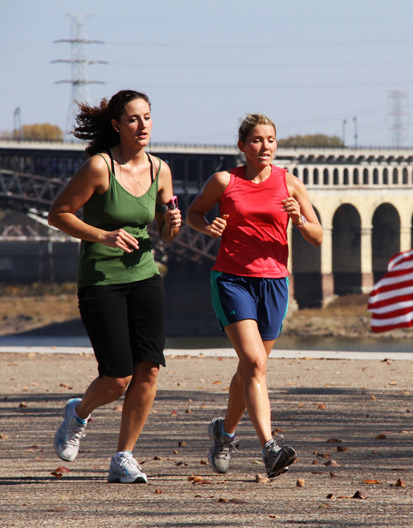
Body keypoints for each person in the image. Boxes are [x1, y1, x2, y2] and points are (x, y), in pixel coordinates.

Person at [47, 89, 181, 483]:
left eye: (148, 118)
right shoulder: (99, 168)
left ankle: (124, 456)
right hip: (101, 280)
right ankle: (79, 412)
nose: (142, 126)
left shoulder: (161, 170)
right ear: (117, 126)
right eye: (134, 119)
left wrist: (171, 226)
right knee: (117, 378)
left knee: (149, 370)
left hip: (144, 276)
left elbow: (164, 230)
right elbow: (59, 214)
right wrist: (102, 236)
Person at [186, 113, 323, 478]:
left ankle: (224, 432)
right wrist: (208, 226)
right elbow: (193, 214)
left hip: (275, 282)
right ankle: (269, 447)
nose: (266, 147)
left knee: (250, 368)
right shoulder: (224, 181)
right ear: (242, 146)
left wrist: (300, 220)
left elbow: (318, 236)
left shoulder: (290, 184)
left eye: (271, 140)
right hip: (233, 279)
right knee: (256, 364)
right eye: (258, 140)